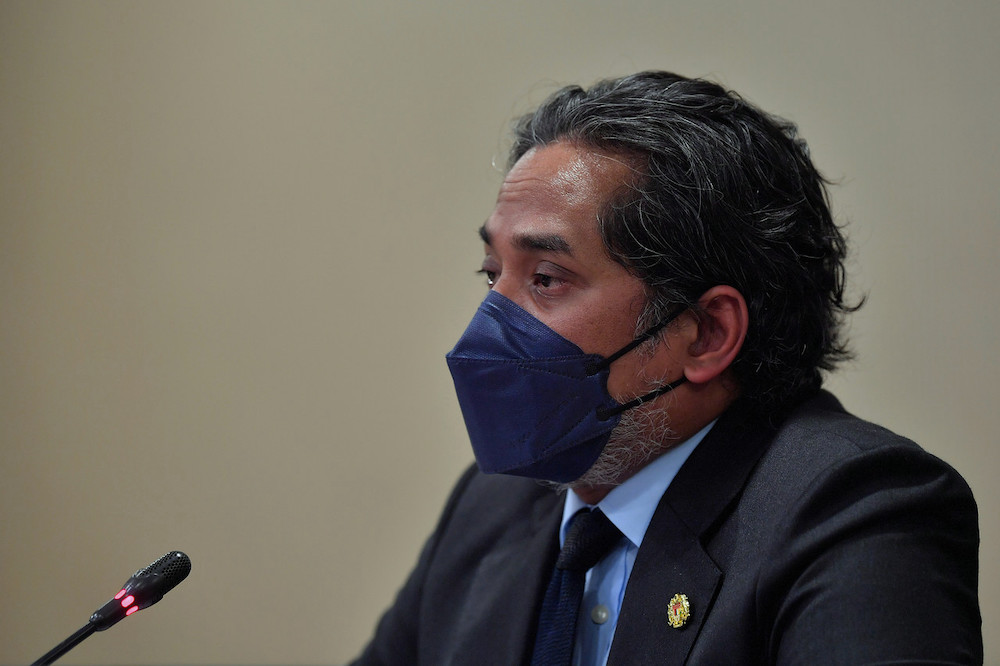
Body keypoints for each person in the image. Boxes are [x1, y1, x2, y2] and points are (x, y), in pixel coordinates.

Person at [350, 71, 981, 665]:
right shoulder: (492, 506)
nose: (485, 328)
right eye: (492, 275)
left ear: (707, 333)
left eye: (545, 278)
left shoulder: (855, 513)